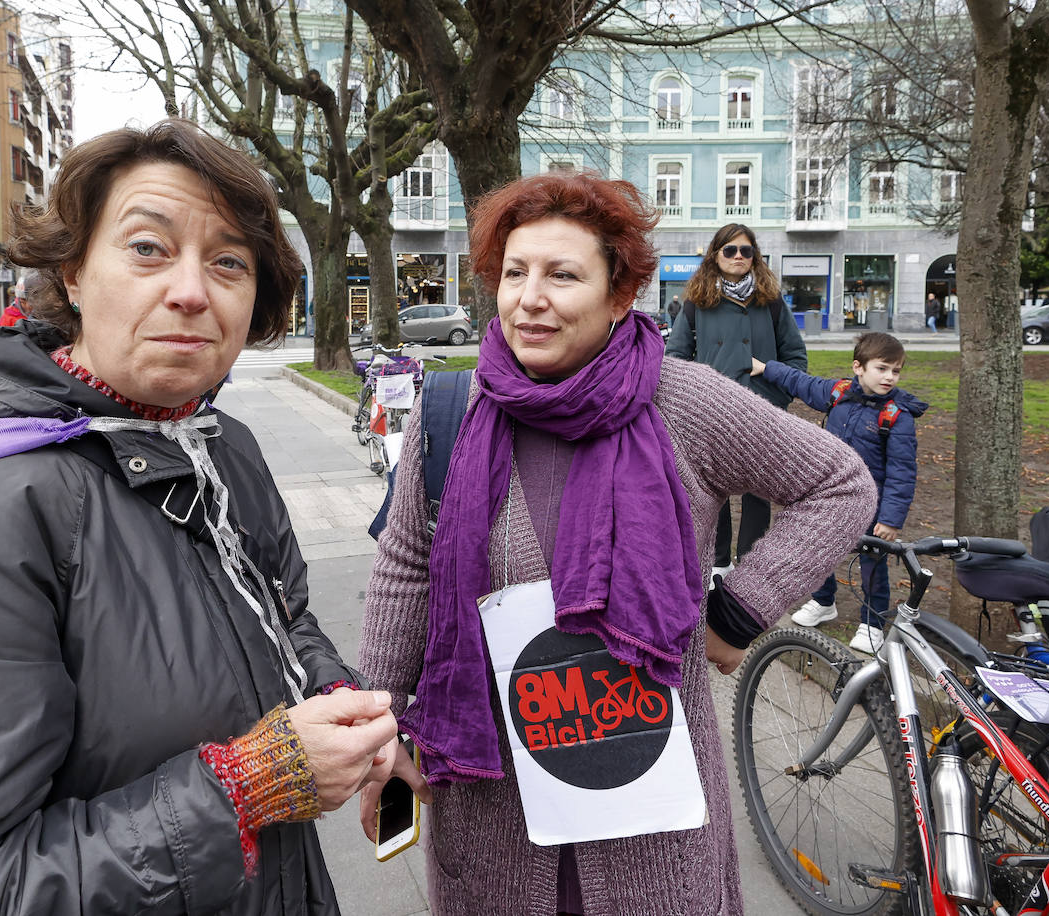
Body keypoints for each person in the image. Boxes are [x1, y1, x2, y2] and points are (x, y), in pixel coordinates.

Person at [0, 120, 400, 916]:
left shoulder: (217, 442)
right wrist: (247, 787)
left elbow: (279, 615)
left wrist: (339, 697)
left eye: (229, 262)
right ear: (72, 272)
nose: (190, 290)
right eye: (147, 248)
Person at [357, 171, 875, 914]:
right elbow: (407, 570)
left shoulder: (682, 402)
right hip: (493, 814)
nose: (530, 297)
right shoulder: (451, 412)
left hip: (651, 834)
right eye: (514, 273)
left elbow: (841, 484)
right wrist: (381, 722)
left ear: (619, 294)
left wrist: (738, 613)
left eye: (563, 274)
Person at [751, 332, 928, 653]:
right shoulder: (838, 393)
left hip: (871, 504)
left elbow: (902, 473)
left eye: (896, 371)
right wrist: (766, 369)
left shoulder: (896, 418)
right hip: (830, 497)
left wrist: (890, 519)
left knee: (873, 564)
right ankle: (823, 600)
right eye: (882, 368)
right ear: (858, 367)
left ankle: (872, 621)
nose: (890, 377)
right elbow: (800, 382)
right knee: (820, 552)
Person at [666, 223, 808, 578]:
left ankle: (749, 565)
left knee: (758, 491)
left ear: (755, 257)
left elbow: (796, 357)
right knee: (714, 489)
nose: (739, 257)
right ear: (716, 255)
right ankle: (718, 563)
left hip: (761, 409)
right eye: (730, 250)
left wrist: (775, 391)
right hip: (711, 411)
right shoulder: (697, 303)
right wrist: (692, 401)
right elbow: (676, 358)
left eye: (746, 251)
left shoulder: (770, 302)